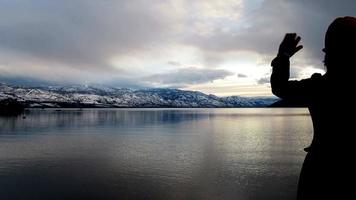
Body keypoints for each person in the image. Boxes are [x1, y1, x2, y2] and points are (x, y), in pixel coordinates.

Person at [270, 16, 356, 200]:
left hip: (319, 171)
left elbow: (279, 87)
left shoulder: (319, 87)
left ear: (328, 54)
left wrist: (283, 56)